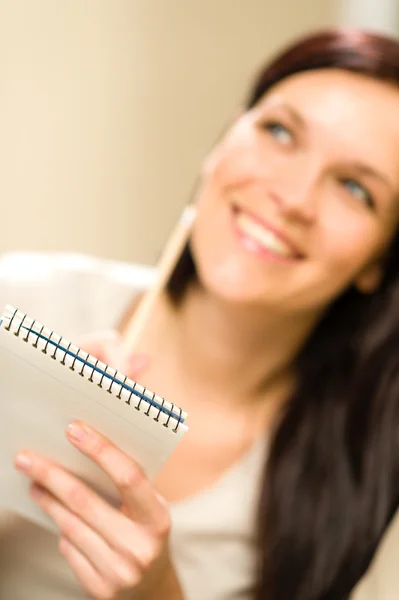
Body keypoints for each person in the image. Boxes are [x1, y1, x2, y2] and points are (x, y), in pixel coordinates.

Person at [1, 25, 399, 600]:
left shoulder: (364, 474)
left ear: (379, 264)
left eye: (355, 189)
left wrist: (159, 593)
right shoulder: (19, 301)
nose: (291, 197)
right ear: (224, 138)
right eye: (280, 131)